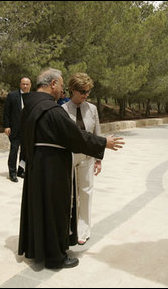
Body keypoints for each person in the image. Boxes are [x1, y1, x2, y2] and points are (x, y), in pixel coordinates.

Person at [18, 68, 124, 269]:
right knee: (55, 209)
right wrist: (103, 143)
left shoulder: (30, 106)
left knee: (39, 209)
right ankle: (55, 257)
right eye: (60, 84)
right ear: (53, 84)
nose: (61, 90)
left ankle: (36, 249)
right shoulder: (52, 110)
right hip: (52, 168)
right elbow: (74, 136)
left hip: (37, 165)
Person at [61, 72, 101, 246]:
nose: (86, 95)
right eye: (83, 92)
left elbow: (97, 134)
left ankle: (84, 229)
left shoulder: (92, 109)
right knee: (70, 196)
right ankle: (70, 227)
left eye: (88, 92)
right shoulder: (62, 110)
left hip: (87, 157)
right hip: (69, 157)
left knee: (86, 192)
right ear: (73, 90)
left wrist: (98, 159)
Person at [3, 77, 31, 182]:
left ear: (30, 85)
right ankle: (12, 172)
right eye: (23, 84)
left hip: (27, 130)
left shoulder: (32, 96)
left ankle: (21, 170)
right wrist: (6, 126)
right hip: (14, 129)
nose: (25, 86)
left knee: (24, 152)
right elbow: (6, 112)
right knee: (14, 151)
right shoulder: (12, 96)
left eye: (27, 84)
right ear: (20, 84)